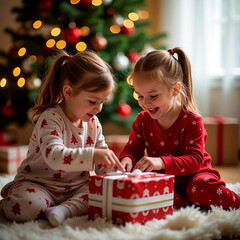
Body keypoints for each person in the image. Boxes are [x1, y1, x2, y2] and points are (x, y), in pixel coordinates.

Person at [0, 50, 124, 226]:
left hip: (75, 189)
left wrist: (120, 176)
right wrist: (93, 155)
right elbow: (55, 156)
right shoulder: (50, 118)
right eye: (92, 101)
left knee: (102, 194)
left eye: (102, 102)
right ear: (68, 92)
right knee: (27, 207)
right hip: (39, 185)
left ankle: (63, 210)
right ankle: (11, 203)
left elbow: (103, 162)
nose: (98, 108)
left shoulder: (93, 123)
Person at [120, 48, 240, 210]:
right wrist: (127, 159)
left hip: (195, 177)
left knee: (200, 189)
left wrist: (161, 161)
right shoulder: (142, 120)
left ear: (175, 89)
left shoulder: (191, 120)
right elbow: (133, 149)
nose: (145, 103)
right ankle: (188, 203)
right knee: (144, 195)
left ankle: (222, 200)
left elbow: (195, 160)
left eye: (153, 96)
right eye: (140, 95)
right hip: (164, 179)